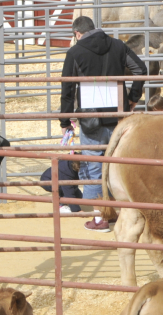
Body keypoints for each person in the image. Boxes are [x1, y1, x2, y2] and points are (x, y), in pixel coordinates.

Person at [58, 16, 146, 232]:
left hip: (91, 122)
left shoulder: (74, 52)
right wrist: (133, 98)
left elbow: (67, 89)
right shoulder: (118, 45)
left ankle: (100, 219)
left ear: (77, 33)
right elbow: (140, 69)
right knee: (119, 164)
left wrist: (65, 120)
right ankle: (124, 214)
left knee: (95, 167)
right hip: (119, 118)